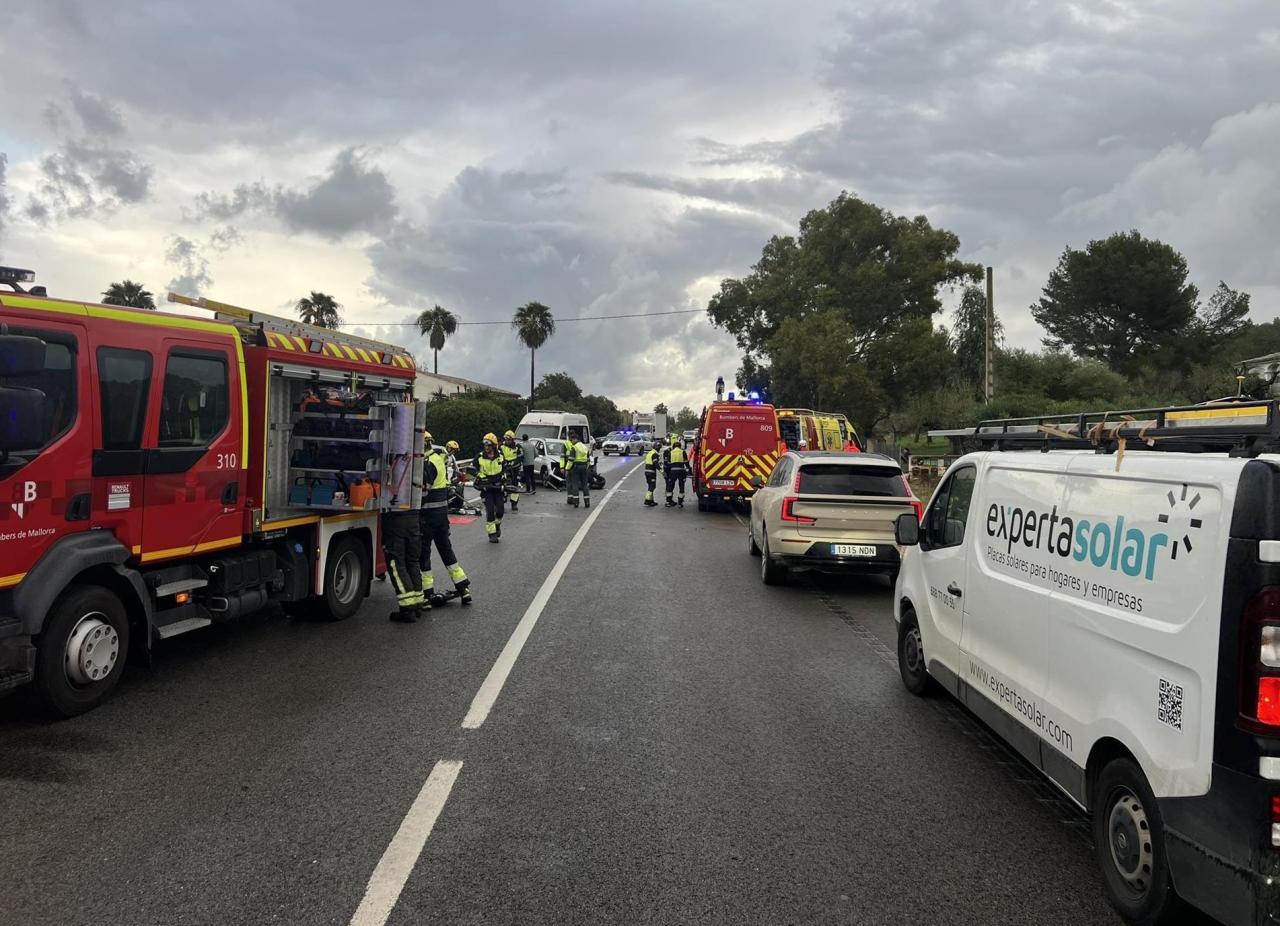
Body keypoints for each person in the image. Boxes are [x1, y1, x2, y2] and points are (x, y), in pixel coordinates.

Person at [420, 431, 472, 605]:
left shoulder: (427, 463)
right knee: (446, 550)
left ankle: (427, 592)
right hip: (442, 515)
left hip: (428, 516)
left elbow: (423, 490)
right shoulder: (438, 459)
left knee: (424, 552)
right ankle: (463, 587)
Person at [382, 453, 425, 620]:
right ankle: (418, 604)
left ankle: (407, 609)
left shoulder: (395, 472)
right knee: (412, 562)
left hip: (397, 521)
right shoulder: (416, 469)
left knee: (396, 564)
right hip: (414, 519)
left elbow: (389, 491)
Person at [474, 433, 506, 542]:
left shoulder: (501, 456)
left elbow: (505, 470)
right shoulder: (479, 457)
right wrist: (481, 479)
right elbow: (474, 470)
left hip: (498, 488)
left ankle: (497, 525)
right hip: (486, 489)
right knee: (490, 511)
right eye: (485, 445)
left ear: (494, 446)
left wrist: (504, 481)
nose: (486, 447)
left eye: (489, 445)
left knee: (500, 511)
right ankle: (492, 533)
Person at [563, 433, 591, 508]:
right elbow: (588, 460)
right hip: (584, 466)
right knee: (585, 484)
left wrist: (567, 469)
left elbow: (570, 460)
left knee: (575, 484)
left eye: (571, 440)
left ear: (574, 439)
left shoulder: (574, 448)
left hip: (576, 467)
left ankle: (576, 502)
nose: (571, 442)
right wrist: (586, 467)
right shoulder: (585, 447)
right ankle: (587, 502)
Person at [663, 433, 688, 508]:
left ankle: (668, 501)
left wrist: (666, 472)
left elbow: (667, 463)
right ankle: (680, 502)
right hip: (681, 471)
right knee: (681, 486)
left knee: (670, 486)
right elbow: (686, 462)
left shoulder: (669, 452)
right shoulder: (682, 451)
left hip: (672, 471)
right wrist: (689, 471)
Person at [501, 430, 523, 512]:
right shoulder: (501, 447)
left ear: (512, 440)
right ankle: (502, 502)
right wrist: (504, 462)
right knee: (503, 485)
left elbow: (521, 457)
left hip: (515, 469)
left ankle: (514, 504)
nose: (507, 441)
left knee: (515, 486)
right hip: (505, 468)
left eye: (509, 439)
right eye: (506, 439)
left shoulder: (518, 447)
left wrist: (513, 462)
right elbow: (498, 455)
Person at [642, 442, 660, 507]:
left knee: (650, 486)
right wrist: (662, 471)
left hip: (647, 472)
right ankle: (647, 500)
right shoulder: (655, 454)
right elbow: (656, 464)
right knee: (652, 486)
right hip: (651, 472)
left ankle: (651, 501)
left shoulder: (650, 453)